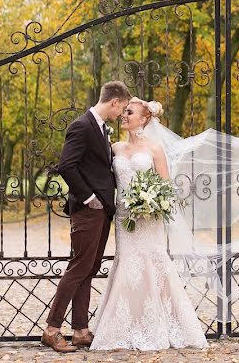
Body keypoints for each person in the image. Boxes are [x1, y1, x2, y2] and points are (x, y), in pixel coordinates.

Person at [88, 97, 208, 350]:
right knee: (126, 265)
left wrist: (152, 203)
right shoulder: (116, 148)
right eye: (124, 111)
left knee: (153, 265)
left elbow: (166, 186)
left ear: (143, 119)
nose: (124, 115)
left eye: (129, 112)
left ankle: (157, 324)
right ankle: (122, 325)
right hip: (124, 217)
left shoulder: (154, 149)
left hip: (149, 219)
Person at [41, 80, 131, 353]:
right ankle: (52, 329)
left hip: (102, 211)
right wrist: (89, 198)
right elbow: (67, 166)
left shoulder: (102, 130)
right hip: (88, 211)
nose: (121, 114)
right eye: (122, 108)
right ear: (114, 102)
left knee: (88, 270)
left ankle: (80, 331)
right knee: (78, 267)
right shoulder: (82, 126)